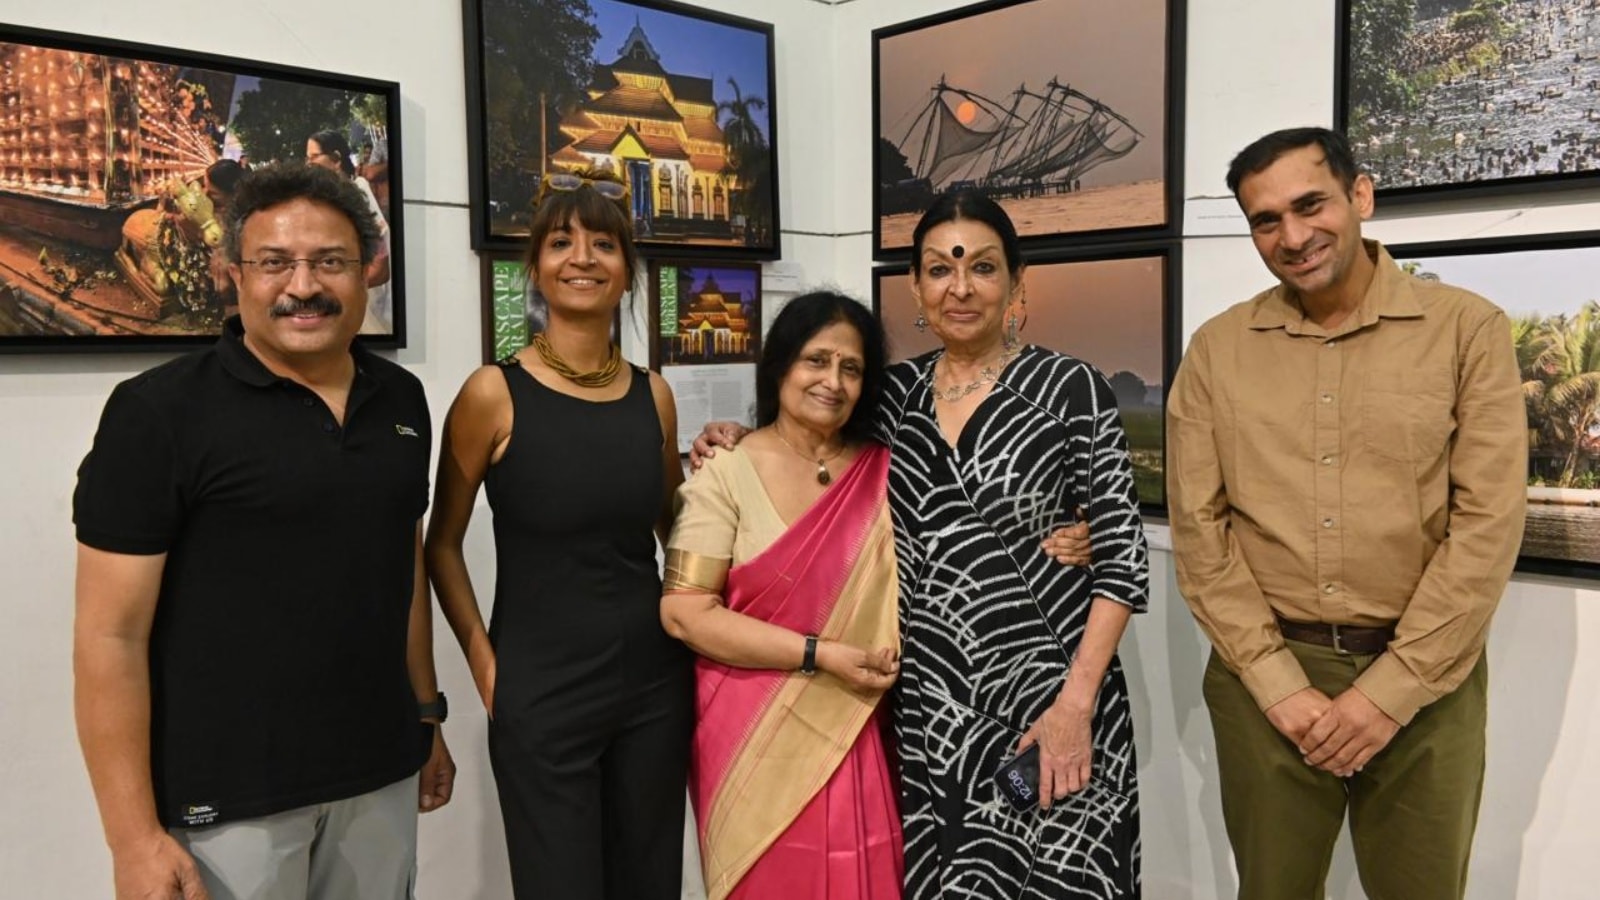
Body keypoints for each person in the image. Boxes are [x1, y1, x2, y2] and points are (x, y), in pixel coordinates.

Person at [696, 189, 1147, 898]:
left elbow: (1122, 560)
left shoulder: (1071, 389)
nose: (960, 288)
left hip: (1053, 703)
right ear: (915, 285)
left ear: (1017, 281)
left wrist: (1075, 707)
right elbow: (812, 450)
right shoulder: (892, 397)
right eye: (940, 269)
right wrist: (733, 437)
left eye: (983, 268)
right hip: (931, 715)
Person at [72, 162, 454, 900]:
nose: (303, 286)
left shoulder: (401, 400)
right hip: (226, 804)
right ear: (234, 274)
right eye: (275, 262)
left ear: (367, 271)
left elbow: (400, 564)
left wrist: (427, 715)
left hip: (379, 774)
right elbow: (107, 637)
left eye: (330, 261)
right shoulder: (157, 414)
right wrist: (132, 839)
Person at [1166, 126, 1527, 900]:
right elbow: (1200, 531)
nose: (1293, 237)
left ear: (1359, 195)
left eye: (1310, 205)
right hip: (1264, 684)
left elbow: (1487, 527)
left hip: (1428, 683)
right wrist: (1276, 683)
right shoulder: (1217, 349)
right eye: (1266, 220)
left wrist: (1390, 691)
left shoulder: (1467, 330)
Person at [424, 168, 691, 900]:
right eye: (562, 242)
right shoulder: (492, 393)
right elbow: (441, 543)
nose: (583, 258)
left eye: (603, 243)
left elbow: (679, 531)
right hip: (541, 687)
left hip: (655, 686)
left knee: (650, 884)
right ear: (536, 266)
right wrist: (485, 666)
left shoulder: (654, 395)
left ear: (626, 269)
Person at [660, 291, 904, 899]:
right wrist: (819, 653)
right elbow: (684, 612)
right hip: (750, 740)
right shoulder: (726, 470)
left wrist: (1068, 539)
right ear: (779, 366)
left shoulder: (886, 472)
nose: (833, 382)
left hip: (857, 725)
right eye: (816, 360)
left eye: (851, 368)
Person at [306, 129, 392, 334]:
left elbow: (380, 266)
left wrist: (338, 290)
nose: (308, 163)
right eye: (307, 158)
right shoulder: (328, 197)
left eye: (314, 157)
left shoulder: (357, 191)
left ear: (336, 159)